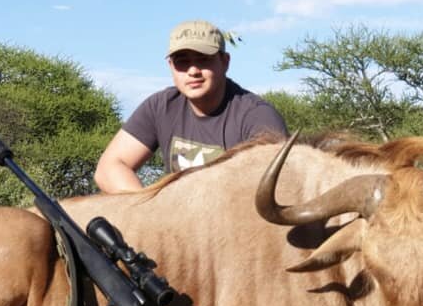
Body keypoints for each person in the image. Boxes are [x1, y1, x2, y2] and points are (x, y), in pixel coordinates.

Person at [94, 19, 288, 193]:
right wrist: (151, 209)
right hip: (173, 222)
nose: (193, 71)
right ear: (171, 66)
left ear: (225, 62)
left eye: (203, 59)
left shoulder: (257, 116)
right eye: (182, 62)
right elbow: (108, 168)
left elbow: (273, 189)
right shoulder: (160, 106)